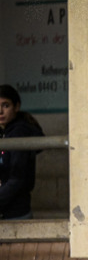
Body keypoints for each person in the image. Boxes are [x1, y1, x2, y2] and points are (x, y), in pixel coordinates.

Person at [0, 84, 44, 220]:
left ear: (17, 107)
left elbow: (16, 179)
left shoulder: (19, 132)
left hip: (15, 214)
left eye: (5, 105)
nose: (0, 111)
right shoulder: (3, 132)